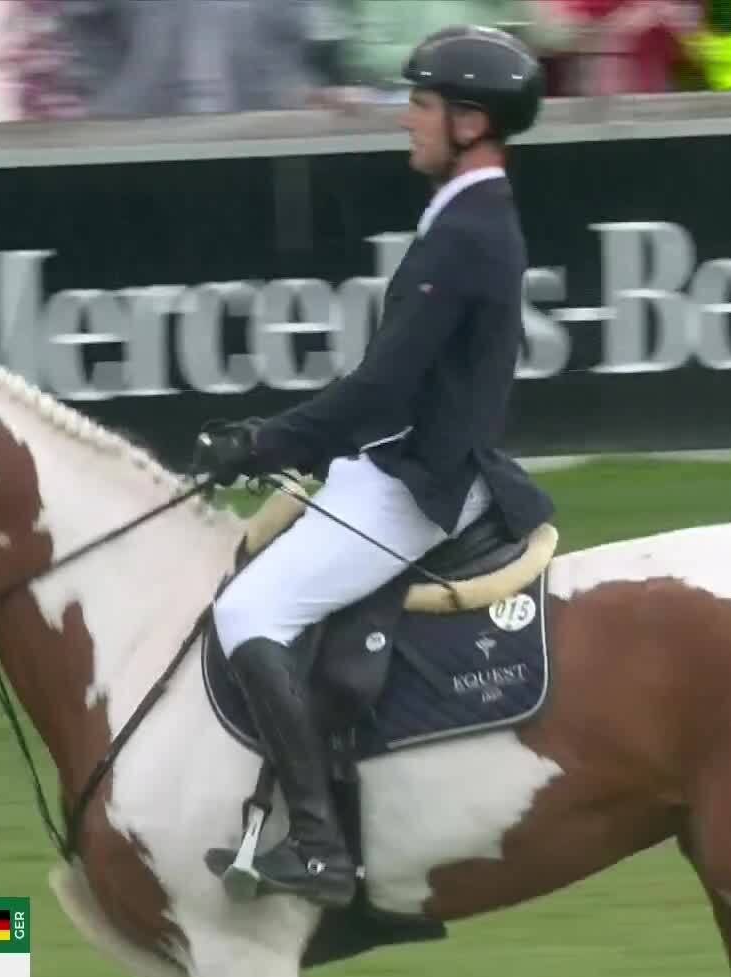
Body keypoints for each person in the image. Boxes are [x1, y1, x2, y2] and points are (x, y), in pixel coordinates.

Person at [194, 24, 557, 909]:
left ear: (471, 122)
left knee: (247, 610)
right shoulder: (466, 216)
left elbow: (383, 387)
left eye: (423, 103)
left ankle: (319, 845)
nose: (408, 118)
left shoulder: (467, 231)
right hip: (394, 462)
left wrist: (263, 443)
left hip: (417, 483)